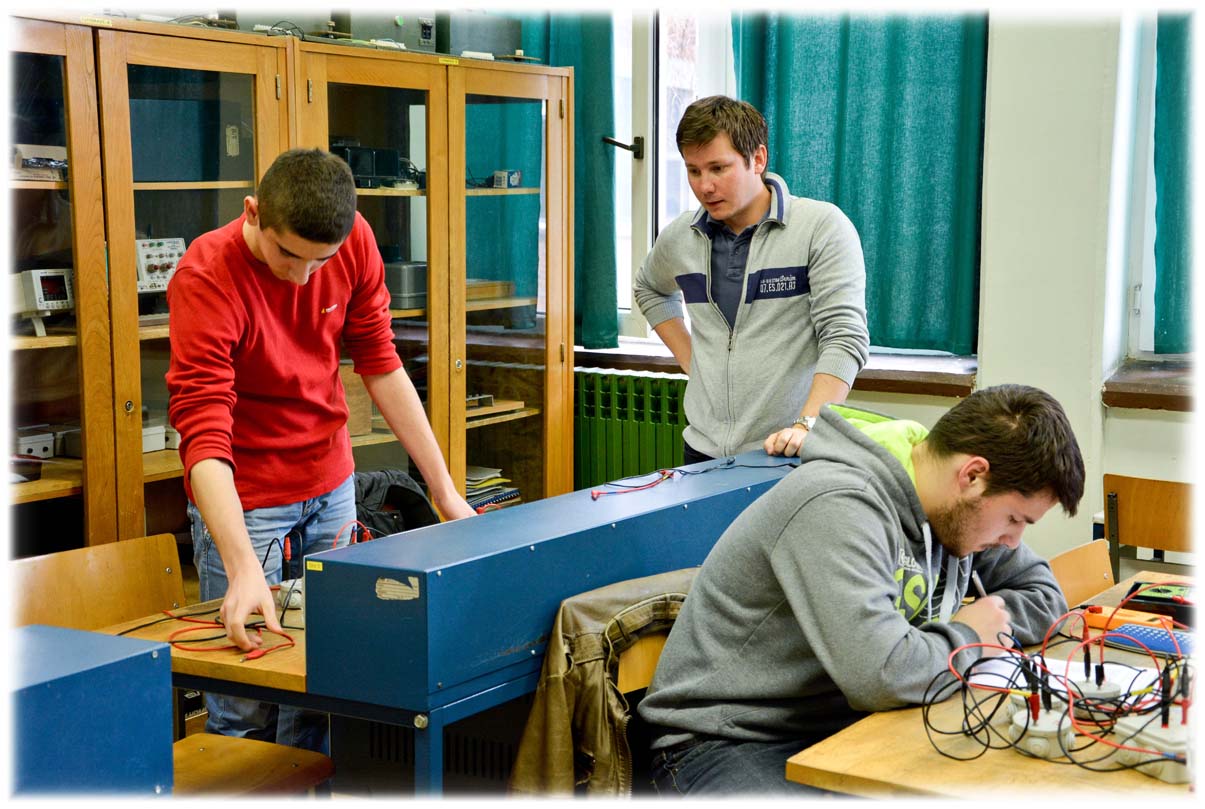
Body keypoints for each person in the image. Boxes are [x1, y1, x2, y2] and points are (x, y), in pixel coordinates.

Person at [167, 148, 476, 751]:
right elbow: (202, 434)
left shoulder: (354, 238)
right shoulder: (206, 276)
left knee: (328, 692)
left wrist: (445, 494)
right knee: (246, 706)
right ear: (253, 213)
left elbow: (381, 363)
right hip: (246, 501)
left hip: (331, 488)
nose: (304, 277)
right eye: (288, 255)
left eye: (321, 261)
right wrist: (242, 567)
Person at [637, 384, 1085, 795]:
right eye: (1014, 519)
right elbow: (881, 675)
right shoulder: (837, 504)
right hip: (724, 739)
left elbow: (1045, 595)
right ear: (972, 475)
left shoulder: (952, 513)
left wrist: (985, 624)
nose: (1013, 541)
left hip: (844, 724)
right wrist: (969, 637)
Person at [632, 95, 869, 464]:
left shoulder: (821, 228)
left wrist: (807, 425)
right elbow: (648, 288)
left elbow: (845, 337)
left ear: (757, 159)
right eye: (694, 171)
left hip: (788, 449)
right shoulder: (681, 236)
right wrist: (695, 364)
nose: (705, 186)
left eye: (718, 168)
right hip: (702, 450)